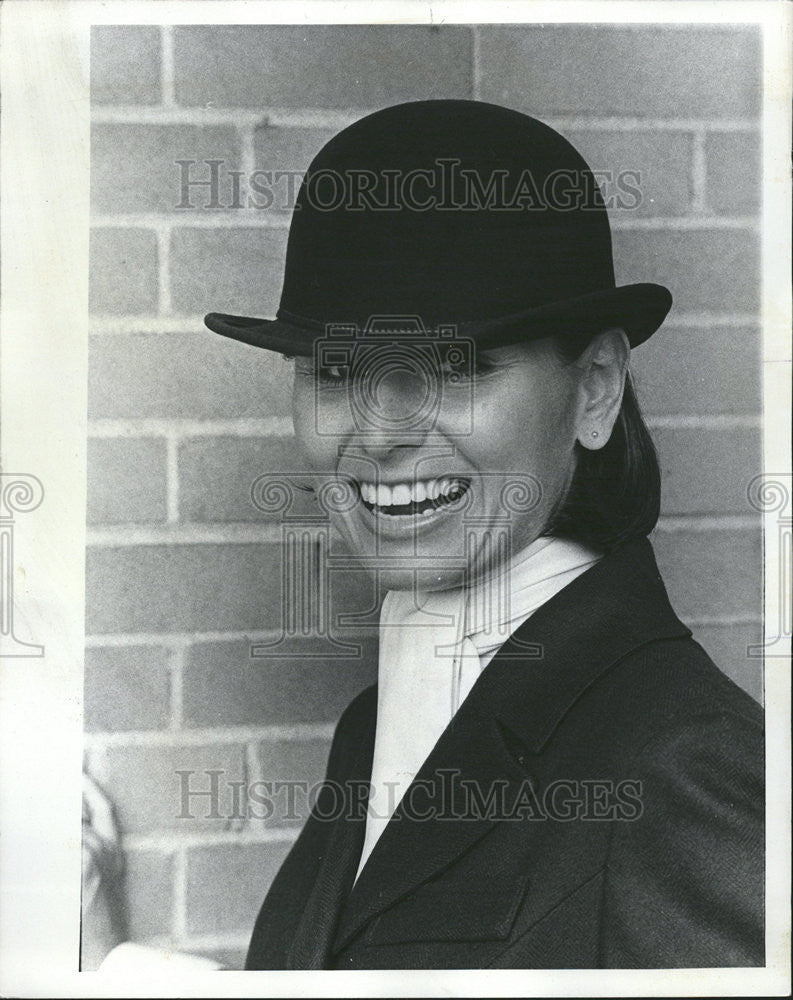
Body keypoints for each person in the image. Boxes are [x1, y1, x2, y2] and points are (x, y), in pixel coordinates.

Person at [88, 99, 764, 970]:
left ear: (594, 387)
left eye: (452, 367)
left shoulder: (687, 771)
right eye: (334, 369)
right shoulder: (378, 727)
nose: (377, 433)